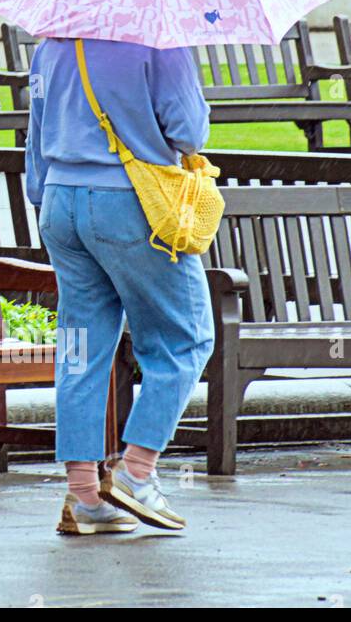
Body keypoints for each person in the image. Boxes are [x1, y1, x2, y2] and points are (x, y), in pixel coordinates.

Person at [25, 37, 214, 536]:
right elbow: (189, 133)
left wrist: (44, 197)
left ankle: (84, 496)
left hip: (60, 202)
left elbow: (35, 131)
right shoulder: (159, 41)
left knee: (79, 347)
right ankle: (137, 471)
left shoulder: (51, 45)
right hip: (131, 201)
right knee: (185, 338)